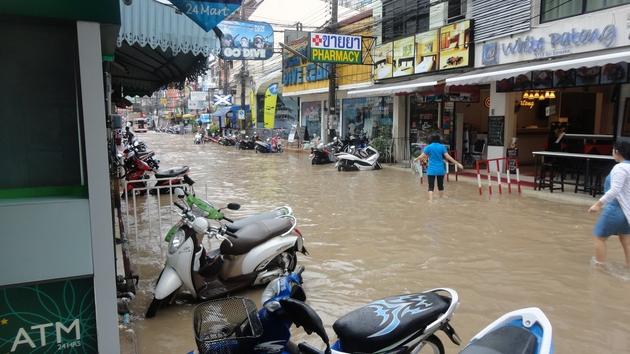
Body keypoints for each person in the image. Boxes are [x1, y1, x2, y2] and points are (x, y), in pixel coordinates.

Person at [588, 141, 630, 267]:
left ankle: (600, 269)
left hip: (615, 208)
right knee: (626, 240)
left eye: (613, 150)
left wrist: (598, 204)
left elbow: (614, 190)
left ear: (617, 152)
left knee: (598, 237)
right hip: (627, 211)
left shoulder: (620, 168)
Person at [414, 133, 463, 202]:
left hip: (431, 170)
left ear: (430, 140)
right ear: (439, 140)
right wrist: (457, 164)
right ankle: (441, 199)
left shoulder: (428, 147)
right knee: (440, 185)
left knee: (431, 187)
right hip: (440, 170)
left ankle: (430, 201)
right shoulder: (442, 147)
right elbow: (448, 157)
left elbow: (421, 156)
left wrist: (415, 159)